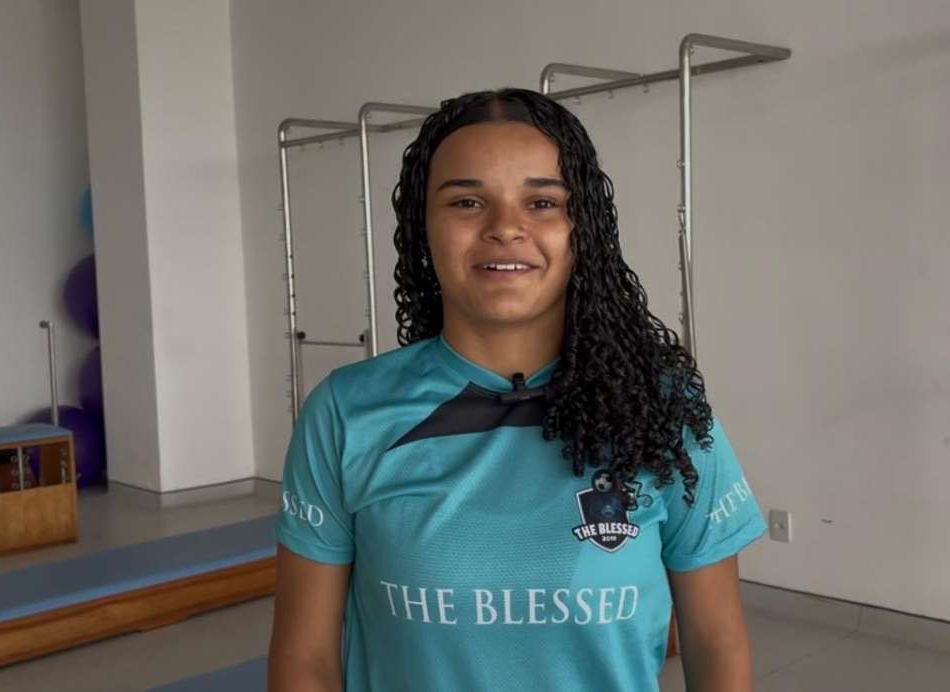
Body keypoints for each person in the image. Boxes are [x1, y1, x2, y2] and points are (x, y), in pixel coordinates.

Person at [268, 87, 767, 691]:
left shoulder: (661, 409)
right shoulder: (347, 412)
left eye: (542, 202)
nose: (506, 228)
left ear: (583, 228)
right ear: (423, 227)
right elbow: (306, 660)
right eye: (467, 201)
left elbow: (715, 643)